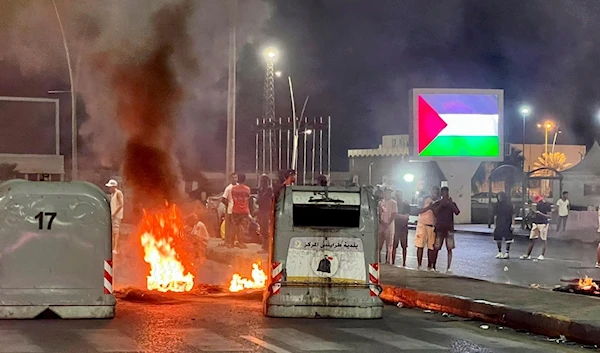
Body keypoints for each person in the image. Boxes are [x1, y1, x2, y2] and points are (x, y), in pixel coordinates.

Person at [431, 186, 460, 273]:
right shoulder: (437, 203)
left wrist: (450, 204)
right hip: (439, 228)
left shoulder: (451, 203)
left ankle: (448, 267)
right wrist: (441, 204)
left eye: (446, 193)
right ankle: (433, 266)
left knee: (449, 248)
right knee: (436, 247)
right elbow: (435, 212)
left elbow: (457, 212)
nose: (444, 195)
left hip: (449, 228)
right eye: (443, 193)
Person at [415, 185, 440, 270]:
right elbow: (419, 210)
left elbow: (438, 214)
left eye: (436, 193)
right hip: (422, 224)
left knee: (431, 247)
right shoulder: (424, 198)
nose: (435, 194)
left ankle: (430, 266)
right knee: (420, 245)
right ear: (431, 191)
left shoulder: (438, 202)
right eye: (434, 192)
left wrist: (434, 208)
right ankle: (419, 265)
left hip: (432, 225)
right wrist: (429, 207)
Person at [520, 195, 551, 260]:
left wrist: (540, 213)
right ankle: (528, 254)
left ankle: (542, 255)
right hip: (536, 223)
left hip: (543, 223)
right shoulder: (536, 205)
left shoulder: (547, 205)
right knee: (532, 239)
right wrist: (532, 212)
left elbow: (549, 216)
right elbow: (533, 215)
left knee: (543, 239)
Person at [230, 173, 251, 249]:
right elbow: (248, 198)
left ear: (238, 179)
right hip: (244, 210)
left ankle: (231, 243)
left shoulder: (234, 189)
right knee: (242, 227)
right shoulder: (248, 189)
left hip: (235, 210)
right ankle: (241, 243)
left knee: (234, 227)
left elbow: (233, 198)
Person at [378, 187, 398, 264]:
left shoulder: (393, 203)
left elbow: (394, 214)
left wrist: (388, 223)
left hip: (390, 226)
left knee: (389, 245)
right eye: (386, 192)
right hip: (381, 225)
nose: (387, 194)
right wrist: (382, 222)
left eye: (389, 192)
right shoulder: (380, 203)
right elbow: (379, 214)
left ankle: (387, 261)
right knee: (379, 244)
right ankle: (378, 260)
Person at [493, 191, 514, 259]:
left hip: (507, 222)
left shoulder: (509, 205)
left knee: (508, 238)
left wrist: (513, 224)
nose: (499, 198)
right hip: (499, 223)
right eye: (498, 196)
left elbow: (513, 215)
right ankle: (500, 252)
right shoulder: (496, 205)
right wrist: (495, 224)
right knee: (498, 238)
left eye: (500, 196)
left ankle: (507, 252)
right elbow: (495, 215)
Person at [106, 179, 124, 254]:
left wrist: (114, 213)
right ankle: (113, 246)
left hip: (116, 216)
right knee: (113, 232)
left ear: (114, 187)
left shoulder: (118, 193)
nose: (109, 189)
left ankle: (115, 248)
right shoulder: (112, 194)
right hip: (113, 215)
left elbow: (120, 204)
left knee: (116, 232)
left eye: (110, 187)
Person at [393, 190, 411, 267]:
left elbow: (406, 217)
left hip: (403, 228)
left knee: (404, 246)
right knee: (394, 246)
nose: (398, 197)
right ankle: (393, 262)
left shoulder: (406, 205)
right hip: (395, 227)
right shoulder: (394, 204)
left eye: (399, 195)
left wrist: (398, 216)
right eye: (397, 196)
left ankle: (404, 263)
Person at [257, 174, 273, 252]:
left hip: (266, 211)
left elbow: (266, 200)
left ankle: (266, 247)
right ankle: (264, 246)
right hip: (262, 210)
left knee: (265, 229)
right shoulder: (261, 190)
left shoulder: (269, 190)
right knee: (263, 229)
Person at [221, 173, 238, 248]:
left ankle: (234, 241)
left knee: (236, 227)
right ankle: (228, 242)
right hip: (230, 210)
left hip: (238, 210)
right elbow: (223, 199)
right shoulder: (228, 188)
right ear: (231, 179)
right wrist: (228, 205)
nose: (235, 179)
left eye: (236, 177)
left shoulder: (239, 187)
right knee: (229, 227)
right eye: (233, 177)